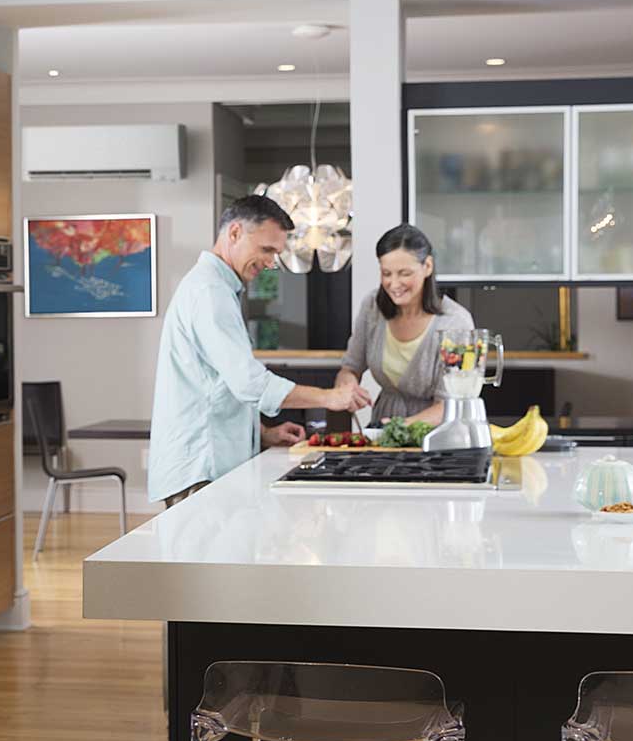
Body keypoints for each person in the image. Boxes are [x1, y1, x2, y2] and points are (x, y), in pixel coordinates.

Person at [148, 195, 372, 507]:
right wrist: (330, 398)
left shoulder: (214, 288)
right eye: (266, 250)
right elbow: (249, 383)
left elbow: (216, 385)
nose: (270, 263)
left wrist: (263, 432)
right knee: (206, 558)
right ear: (235, 233)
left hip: (206, 461)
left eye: (276, 253)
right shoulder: (210, 292)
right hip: (202, 466)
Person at [335, 223, 474, 427]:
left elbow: (452, 405)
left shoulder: (456, 322)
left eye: (404, 273)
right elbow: (350, 368)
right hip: (384, 431)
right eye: (386, 273)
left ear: (427, 266)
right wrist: (347, 388)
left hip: (437, 436)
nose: (394, 283)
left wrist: (397, 428)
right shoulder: (372, 307)